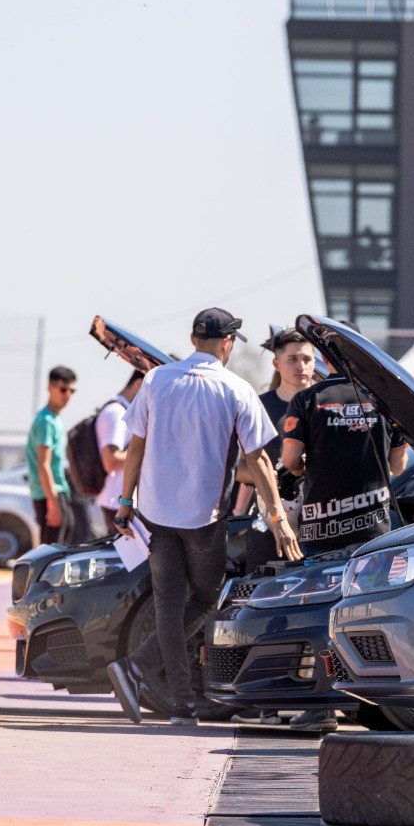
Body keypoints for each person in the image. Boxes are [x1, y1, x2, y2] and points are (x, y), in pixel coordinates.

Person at [107, 307, 300, 727]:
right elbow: (261, 462)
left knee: (168, 605)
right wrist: (278, 519)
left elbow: (135, 446)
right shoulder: (236, 388)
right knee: (205, 600)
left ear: (193, 340)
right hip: (203, 516)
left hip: (155, 515)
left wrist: (125, 502)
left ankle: (178, 704)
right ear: (227, 343)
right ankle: (141, 670)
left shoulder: (157, 379)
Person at [277, 355, 409, 733]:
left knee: (324, 613)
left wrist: (307, 467)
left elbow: (289, 460)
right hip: (375, 529)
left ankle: (321, 708)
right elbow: (398, 467)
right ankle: (379, 703)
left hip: (321, 529)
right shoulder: (384, 398)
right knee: (373, 613)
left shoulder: (307, 398)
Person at [235, 327, 320, 570]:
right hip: (269, 526)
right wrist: (265, 476)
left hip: (321, 528)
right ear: (276, 363)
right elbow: (237, 467)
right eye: (292, 359)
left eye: (306, 359)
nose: (300, 366)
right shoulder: (259, 407)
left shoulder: (326, 404)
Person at [27, 365, 77, 545]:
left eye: (71, 390)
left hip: (57, 490)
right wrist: (53, 501)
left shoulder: (55, 419)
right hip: (49, 493)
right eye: (63, 389)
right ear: (50, 387)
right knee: (51, 550)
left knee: (62, 542)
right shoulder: (45, 421)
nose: (67, 395)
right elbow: (43, 464)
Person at [94, 369, 145, 534]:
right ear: (139, 384)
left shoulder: (123, 411)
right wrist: (144, 452)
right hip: (116, 500)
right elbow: (111, 460)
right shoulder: (117, 413)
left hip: (118, 499)